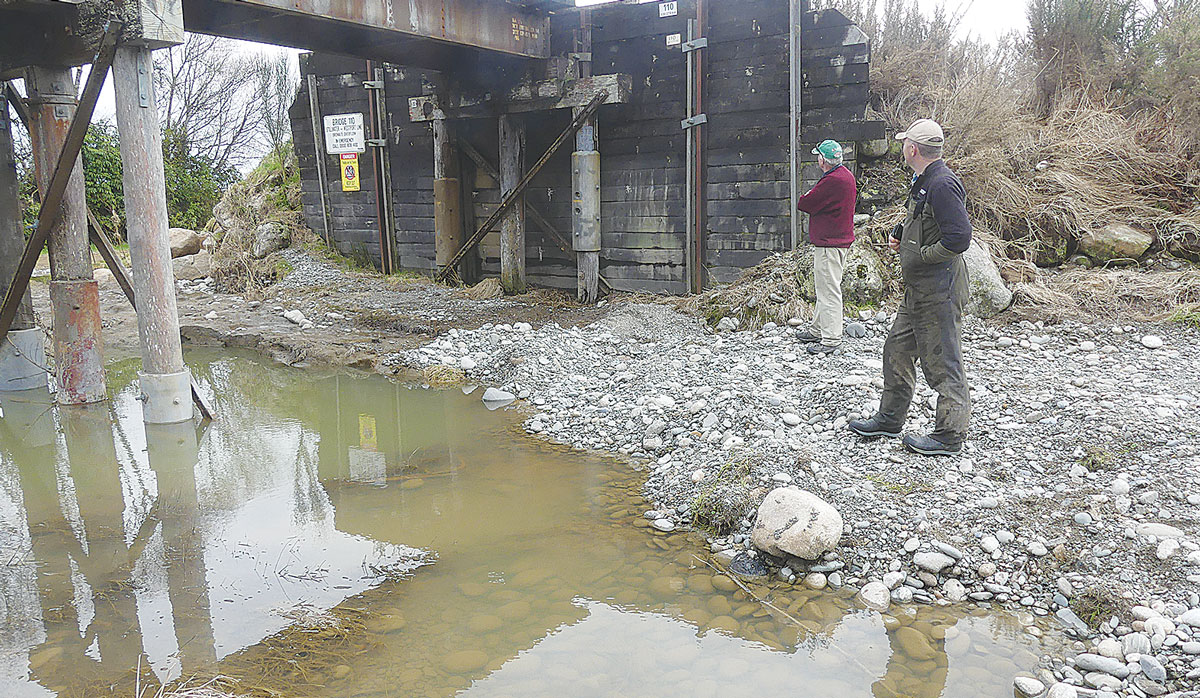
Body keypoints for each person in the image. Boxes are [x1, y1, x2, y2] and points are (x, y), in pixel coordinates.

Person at [848, 119, 972, 456]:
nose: (902, 147)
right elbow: (926, 220)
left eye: (905, 143)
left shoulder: (943, 183)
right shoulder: (924, 180)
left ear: (912, 149)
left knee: (944, 363)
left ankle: (949, 435)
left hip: (939, 290)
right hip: (918, 288)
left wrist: (923, 254)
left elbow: (959, 237)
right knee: (897, 350)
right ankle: (890, 418)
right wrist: (904, 233)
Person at [795, 139, 857, 355]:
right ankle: (817, 329)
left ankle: (830, 338)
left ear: (823, 160)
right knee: (825, 287)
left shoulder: (831, 181)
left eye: (818, 156)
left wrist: (809, 194)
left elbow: (805, 203)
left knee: (828, 290)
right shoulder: (845, 176)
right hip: (838, 241)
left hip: (830, 243)